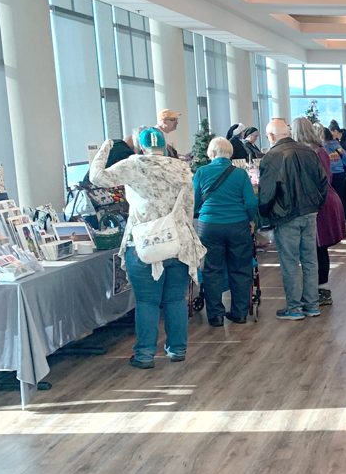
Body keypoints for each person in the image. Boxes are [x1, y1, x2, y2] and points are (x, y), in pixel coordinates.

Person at [90, 129, 204, 368]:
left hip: (145, 243)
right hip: (179, 242)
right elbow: (189, 206)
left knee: (147, 302)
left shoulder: (134, 165)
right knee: (175, 300)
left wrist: (105, 147)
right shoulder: (181, 168)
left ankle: (144, 355)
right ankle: (177, 349)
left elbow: (96, 177)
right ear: (164, 146)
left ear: (141, 148)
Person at [258, 118, 328, 320]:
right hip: (309, 212)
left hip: (286, 215)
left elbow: (266, 192)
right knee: (309, 259)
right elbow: (323, 182)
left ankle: (295, 308)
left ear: (271, 136)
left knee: (290, 261)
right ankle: (312, 304)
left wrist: (266, 213)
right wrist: (317, 204)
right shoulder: (309, 151)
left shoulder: (272, 156)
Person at [192, 137, 256, 327]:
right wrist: (251, 219)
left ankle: (215, 316)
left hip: (209, 226)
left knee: (212, 270)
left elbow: (194, 201)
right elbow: (251, 202)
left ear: (211, 154)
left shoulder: (201, 172)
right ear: (230, 154)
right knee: (241, 268)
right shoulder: (240, 174)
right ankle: (240, 313)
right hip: (238, 225)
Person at [294, 118, 346, 308]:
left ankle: (317, 289)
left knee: (316, 248)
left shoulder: (311, 153)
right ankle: (318, 288)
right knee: (318, 248)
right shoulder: (320, 150)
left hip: (319, 204)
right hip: (326, 201)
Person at [322, 126, 346, 220]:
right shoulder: (337, 145)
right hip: (340, 173)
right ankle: (344, 217)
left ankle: (335, 218)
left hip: (330, 174)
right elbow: (345, 158)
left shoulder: (323, 147)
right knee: (340, 195)